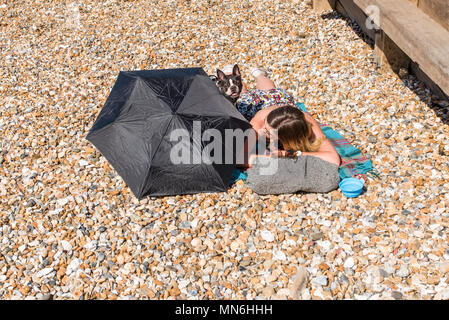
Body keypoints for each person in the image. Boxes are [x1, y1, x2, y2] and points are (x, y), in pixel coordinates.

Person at [229, 66, 341, 167]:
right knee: (245, 94)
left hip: (280, 100)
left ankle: (258, 74)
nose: (263, 131)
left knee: (270, 90)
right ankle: (255, 75)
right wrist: (276, 157)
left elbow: (334, 159)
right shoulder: (259, 124)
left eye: (268, 132)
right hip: (260, 106)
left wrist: (290, 154)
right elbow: (240, 158)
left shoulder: (305, 121)